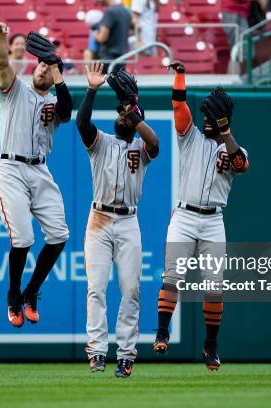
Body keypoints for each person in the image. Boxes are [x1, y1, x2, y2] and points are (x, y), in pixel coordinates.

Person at [154, 61, 249, 370]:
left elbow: (240, 166)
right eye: (207, 115)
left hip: (213, 220)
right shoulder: (190, 137)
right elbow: (179, 105)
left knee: (214, 285)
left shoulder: (237, 149)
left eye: (213, 117)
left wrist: (226, 131)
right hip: (183, 215)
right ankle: (162, 331)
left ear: (225, 121)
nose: (207, 120)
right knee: (172, 277)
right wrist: (181, 74)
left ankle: (210, 344)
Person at [0, 22, 73, 328]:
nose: (44, 70)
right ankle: (12, 296)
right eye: (42, 64)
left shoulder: (55, 102)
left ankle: (31, 292)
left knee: (59, 235)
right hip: (10, 168)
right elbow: (3, 63)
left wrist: (57, 67)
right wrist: (2, 35)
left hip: (40, 169)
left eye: (50, 67)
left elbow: (68, 111)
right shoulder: (16, 89)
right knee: (22, 239)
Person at [77, 63, 158, 378]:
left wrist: (133, 112)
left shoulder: (142, 146)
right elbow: (82, 123)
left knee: (130, 290)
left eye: (125, 114)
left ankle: (125, 355)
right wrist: (92, 89)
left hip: (128, 223)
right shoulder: (101, 142)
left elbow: (155, 143)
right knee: (96, 288)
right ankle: (97, 352)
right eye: (120, 113)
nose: (120, 116)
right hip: (98, 218)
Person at [94, 0, 131, 72]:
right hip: (122, 58)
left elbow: (102, 38)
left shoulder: (109, 11)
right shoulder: (126, 11)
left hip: (108, 59)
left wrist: (95, 35)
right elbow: (130, 32)